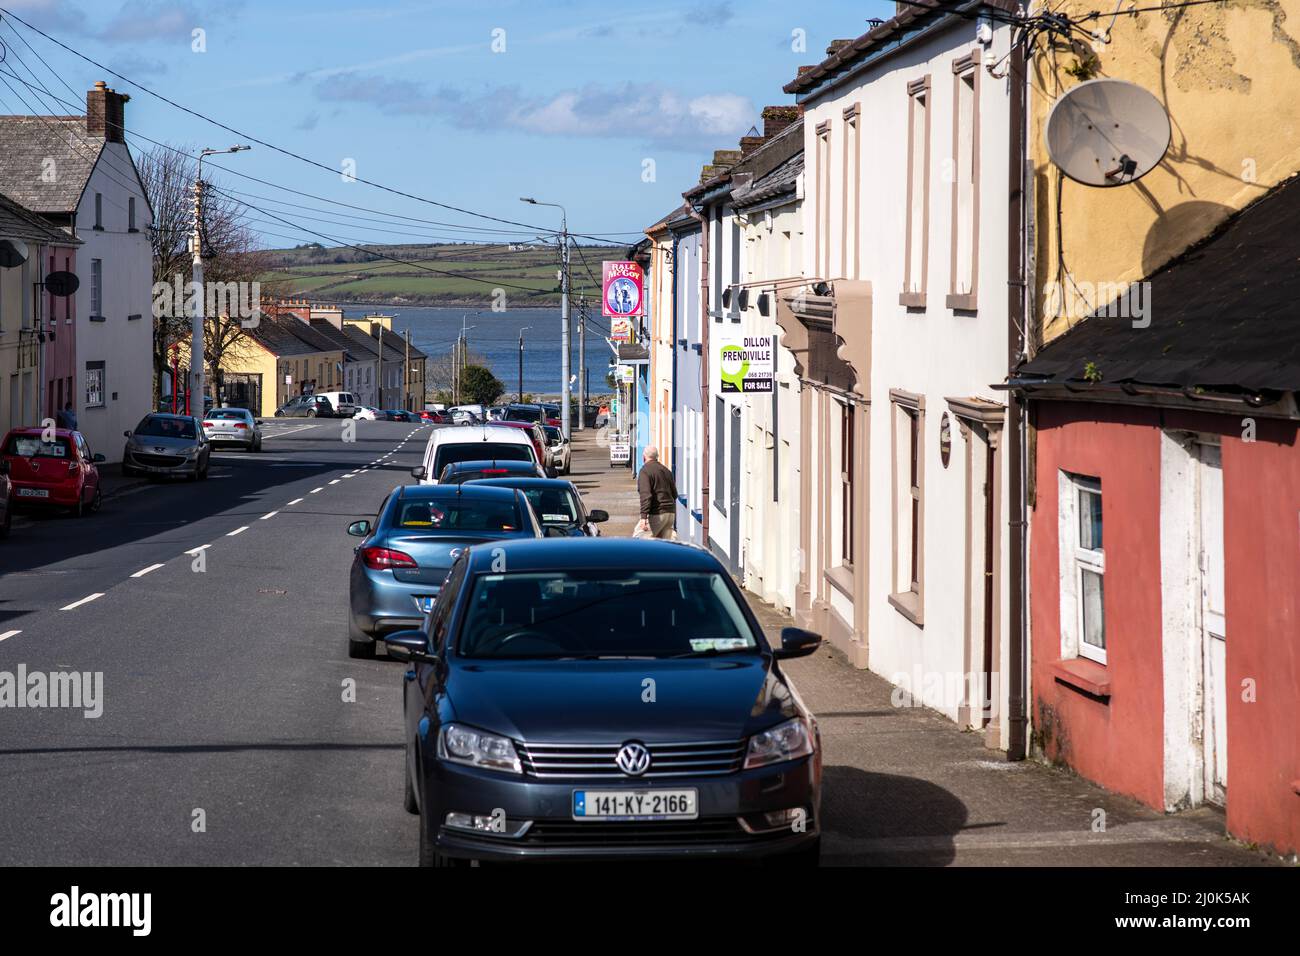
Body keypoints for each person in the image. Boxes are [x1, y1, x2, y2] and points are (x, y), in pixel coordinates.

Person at [635, 445, 677, 540]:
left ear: (644, 457)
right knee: (666, 544)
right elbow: (674, 494)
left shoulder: (645, 471)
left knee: (638, 538)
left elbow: (646, 495)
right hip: (670, 514)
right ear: (657, 457)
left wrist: (643, 517)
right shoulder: (667, 471)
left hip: (656, 513)